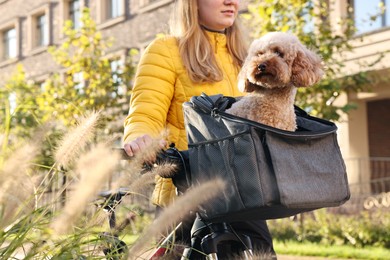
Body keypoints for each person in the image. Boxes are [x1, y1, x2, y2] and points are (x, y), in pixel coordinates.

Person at [123, 0, 275, 256]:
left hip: (243, 193)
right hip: (186, 193)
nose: (231, 2)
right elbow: (146, 110)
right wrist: (140, 137)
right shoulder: (166, 50)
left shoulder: (247, 59)